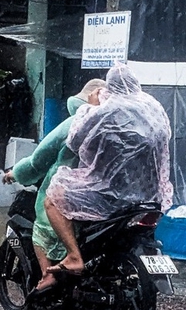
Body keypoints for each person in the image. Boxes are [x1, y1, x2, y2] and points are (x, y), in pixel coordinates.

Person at [36, 62, 172, 291]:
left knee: (53, 198)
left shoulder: (106, 110)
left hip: (109, 193)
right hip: (148, 195)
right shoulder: (153, 106)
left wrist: (90, 108)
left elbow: (75, 141)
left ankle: (73, 256)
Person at [5, 78, 103, 272]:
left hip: (71, 192)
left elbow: (39, 159)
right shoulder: (114, 127)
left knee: (43, 225)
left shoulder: (75, 124)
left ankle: (46, 275)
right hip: (102, 197)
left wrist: (16, 173)